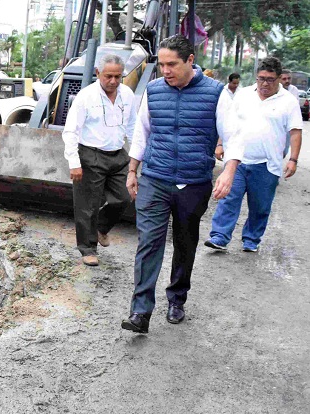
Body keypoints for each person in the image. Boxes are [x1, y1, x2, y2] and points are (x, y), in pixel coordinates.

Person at [121, 34, 243, 334]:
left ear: (190, 60)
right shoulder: (153, 90)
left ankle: (177, 298)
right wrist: (133, 170)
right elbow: (142, 132)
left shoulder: (216, 93)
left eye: (171, 64)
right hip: (155, 178)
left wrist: (228, 171)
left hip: (193, 182)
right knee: (149, 242)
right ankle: (140, 312)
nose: (165, 70)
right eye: (161, 64)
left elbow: (234, 135)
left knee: (185, 242)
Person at [205, 57, 303, 253]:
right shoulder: (243, 95)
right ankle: (220, 237)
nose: (265, 83)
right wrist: (221, 143)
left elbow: (295, 131)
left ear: (278, 79)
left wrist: (293, 159)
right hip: (238, 161)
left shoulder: (289, 101)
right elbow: (229, 123)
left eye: (270, 79)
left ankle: (251, 239)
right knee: (228, 199)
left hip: (268, 164)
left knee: (260, 206)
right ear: (256, 77)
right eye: (261, 78)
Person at [62, 54, 136, 267]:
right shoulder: (86, 97)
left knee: (124, 197)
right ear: (97, 74)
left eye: (117, 76)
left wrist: (138, 155)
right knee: (88, 205)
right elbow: (71, 131)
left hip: (118, 154)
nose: (113, 81)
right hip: (90, 154)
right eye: (108, 76)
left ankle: (101, 227)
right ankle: (87, 248)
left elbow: (132, 127)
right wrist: (74, 162)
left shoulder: (128, 95)